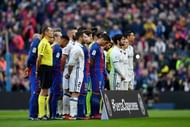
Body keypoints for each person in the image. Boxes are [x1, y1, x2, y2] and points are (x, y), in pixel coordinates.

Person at [65, 31, 86, 119]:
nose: (86, 39)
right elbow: (70, 63)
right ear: (80, 37)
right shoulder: (77, 48)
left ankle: (72, 114)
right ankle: (73, 115)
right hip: (76, 73)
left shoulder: (79, 47)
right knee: (75, 93)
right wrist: (69, 73)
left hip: (77, 73)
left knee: (75, 93)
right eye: (84, 37)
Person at [89, 33, 110, 119]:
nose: (105, 45)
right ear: (102, 39)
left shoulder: (99, 48)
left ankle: (96, 112)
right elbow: (91, 60)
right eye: (105, 42)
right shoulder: (94, 47)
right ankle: (94, 113)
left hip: (100, 73)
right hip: (96, 73)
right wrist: (91, 72)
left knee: (99, 93)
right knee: (96, 93)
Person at [49, 29, 69, 119]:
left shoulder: (52, 47)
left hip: (53, 74)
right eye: (60, 37)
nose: (61, 39)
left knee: (53, 94)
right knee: (55, 94)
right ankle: (53, 114)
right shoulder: (57, 48)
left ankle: (52, 114)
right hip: (56, 74)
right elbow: (55, 63)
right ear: (56, 37)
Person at [36, 26, 54, 120]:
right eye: (51, 31)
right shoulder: (43, 43)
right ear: (46, 32)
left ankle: (45, 113)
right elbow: (39, 58)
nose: (52, 32)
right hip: (44, 68)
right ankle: (41, 114)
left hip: (48, 68)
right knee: (43, 90)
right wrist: (37, 70)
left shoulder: (47, 43)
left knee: (46, 91)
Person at [25, 33, 41, 120]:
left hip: (33, 69)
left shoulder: (33, 44)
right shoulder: (36, 41)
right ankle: (32, 114)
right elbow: (31, 58)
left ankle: (35, 113)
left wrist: (28, 66)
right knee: (35, 92)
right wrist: (28, 66)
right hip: (35, 69)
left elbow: (30, 58)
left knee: (35, 92)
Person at [62, 28, 77, 118]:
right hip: (68, 69)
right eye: (75, 33)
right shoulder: (68, 45)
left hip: (74, 70)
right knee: (67, 91)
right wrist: (63, 70)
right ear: (71, 34)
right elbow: (63, 59)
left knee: (72, 91)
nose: (76, 35)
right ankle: (65, 112)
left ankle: (70, 112)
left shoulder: (75, 45)